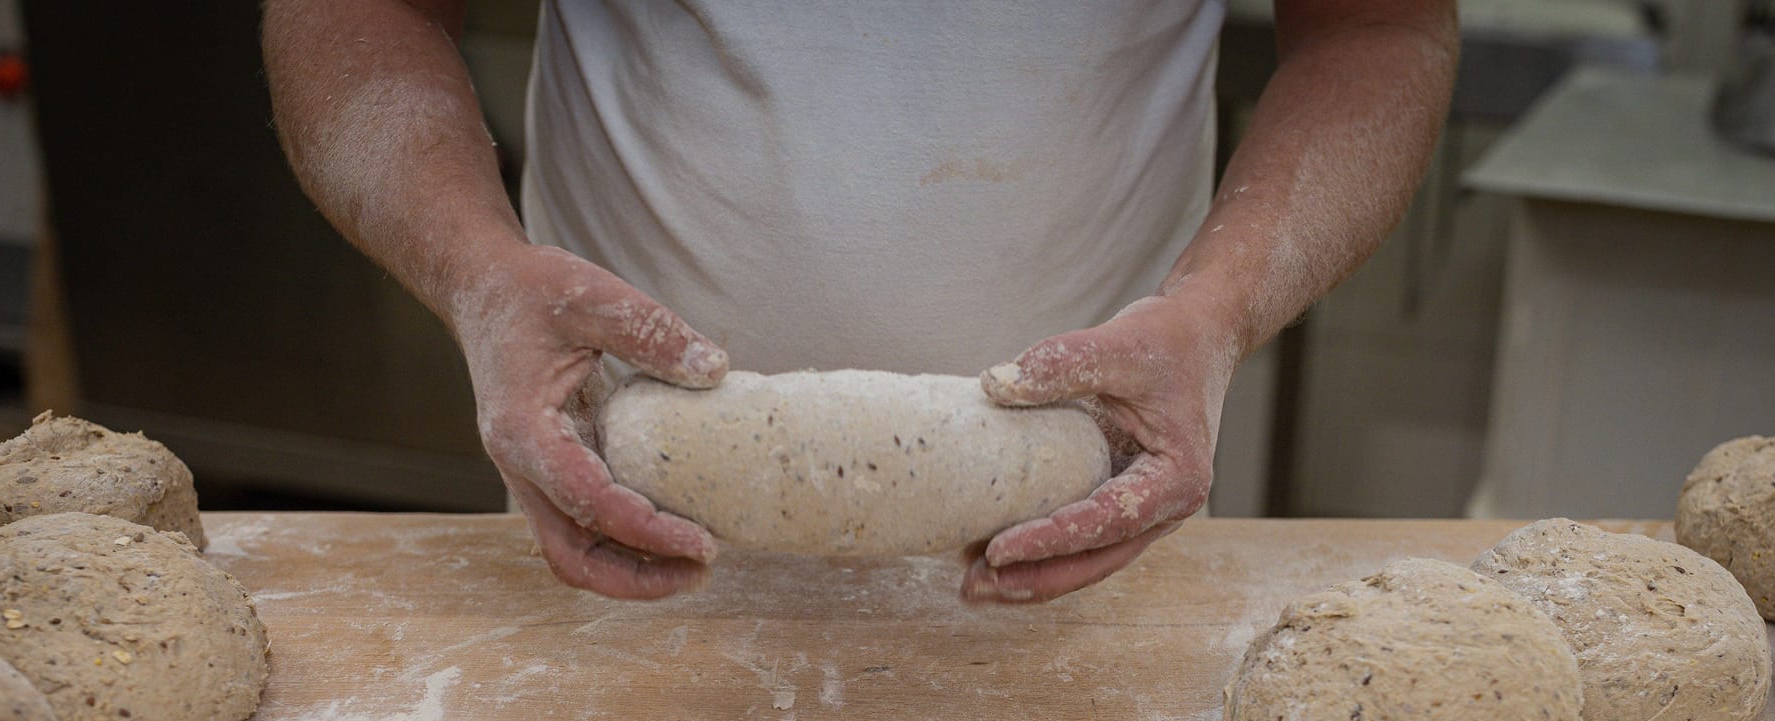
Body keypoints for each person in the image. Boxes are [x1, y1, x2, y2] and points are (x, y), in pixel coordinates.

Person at [263, 1, 1456, 603]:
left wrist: (1220, 309)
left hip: (1096, 523)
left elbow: (1375, 23)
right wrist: (478, 270)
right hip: (609, 513)